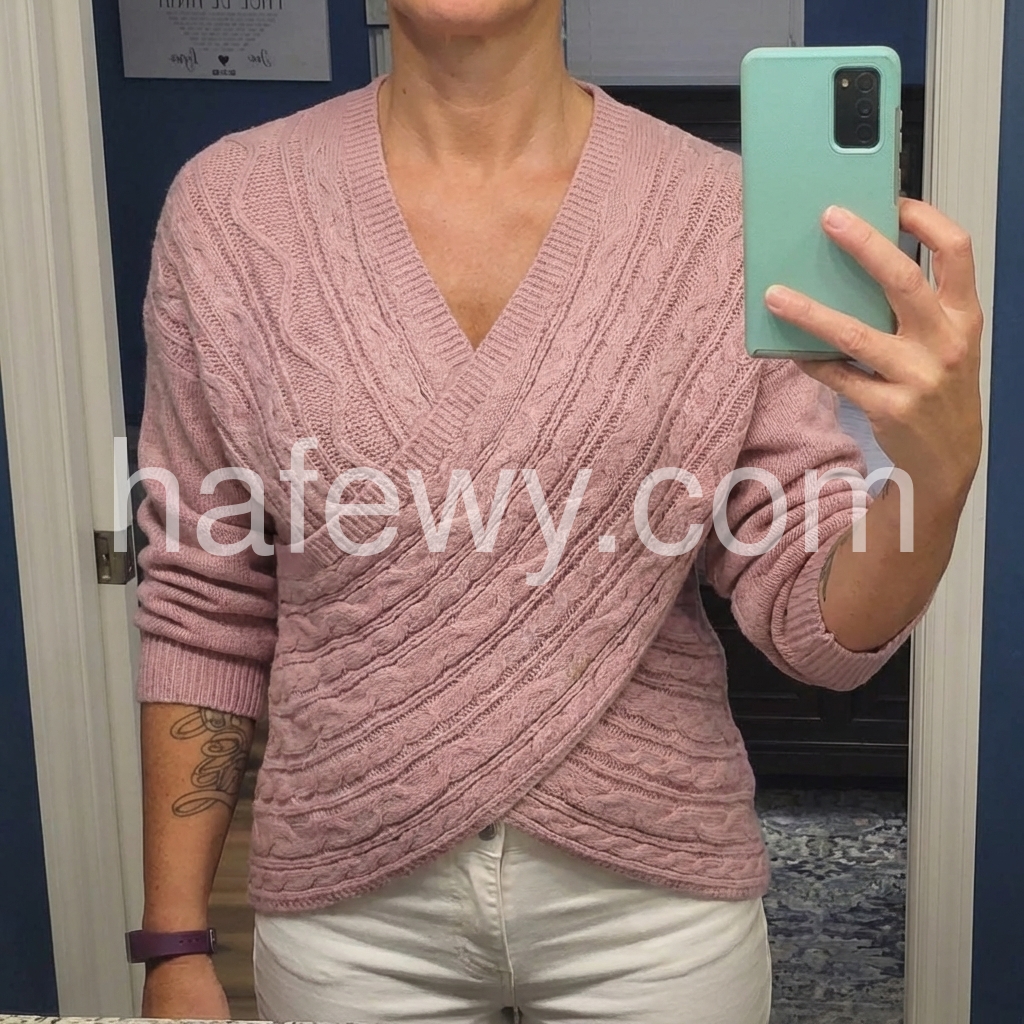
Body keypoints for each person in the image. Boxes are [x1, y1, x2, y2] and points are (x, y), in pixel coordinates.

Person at [131, 2, 983, 1022]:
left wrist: (934, 482)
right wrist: (173, 941)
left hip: (653, 900)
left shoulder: (715, 215)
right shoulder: (232, 211)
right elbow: (202, 592)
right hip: (347, 900)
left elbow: (816, 630)